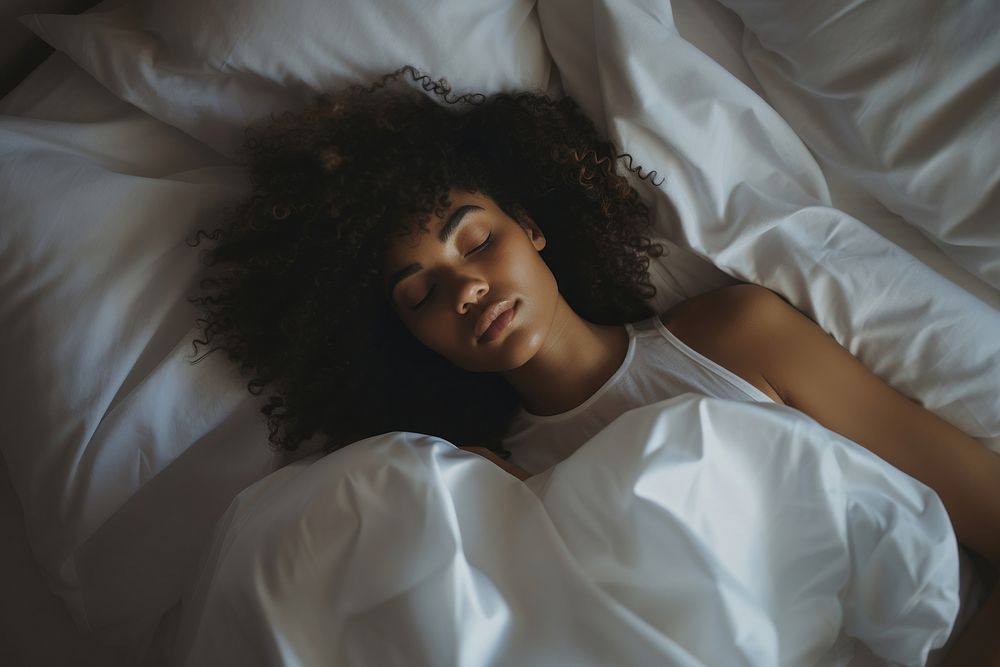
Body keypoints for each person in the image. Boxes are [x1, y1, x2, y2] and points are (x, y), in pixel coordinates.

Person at [187, 65, 999, 664]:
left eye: (476, 241)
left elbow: (978, 500)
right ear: (411, 338)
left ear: (532, 226)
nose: (467, 287)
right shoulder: (490, 491)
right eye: (422, 291)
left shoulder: (734, 335)